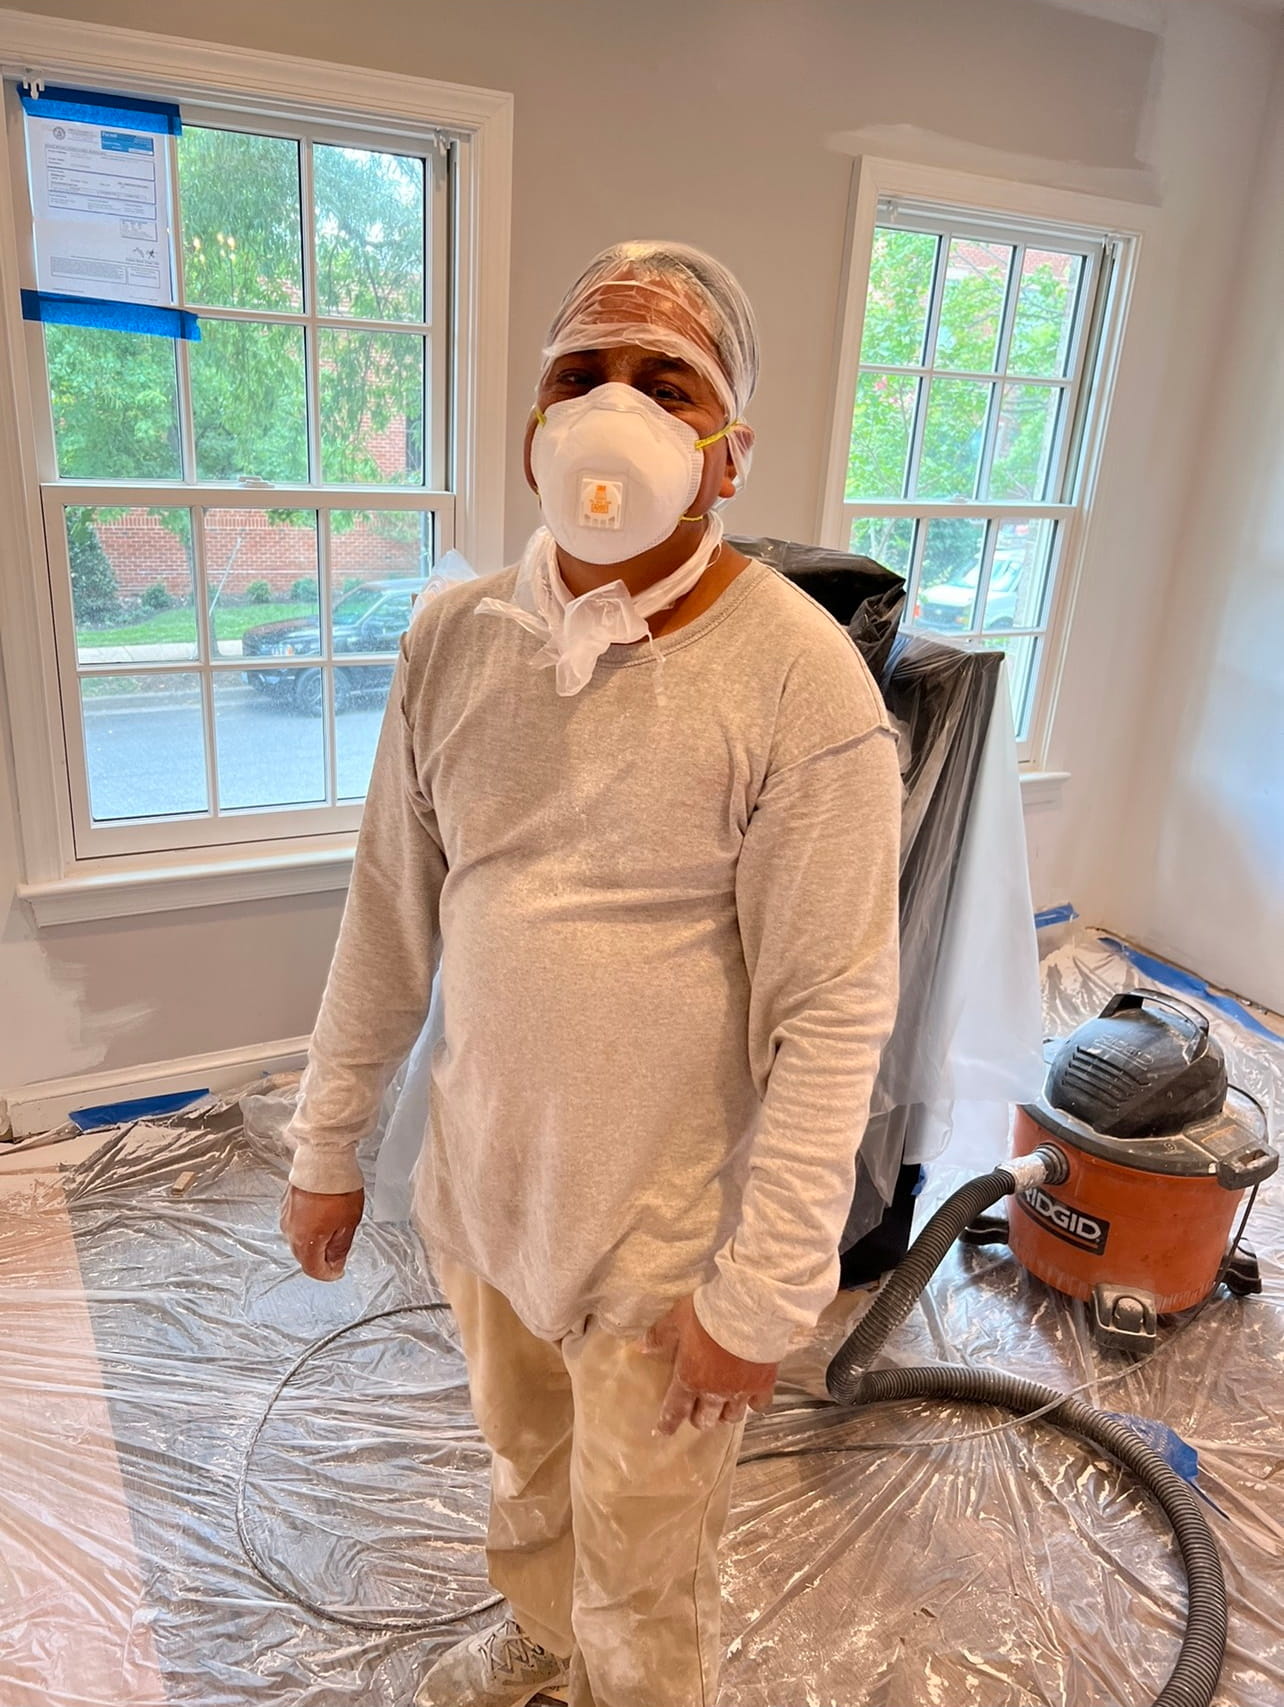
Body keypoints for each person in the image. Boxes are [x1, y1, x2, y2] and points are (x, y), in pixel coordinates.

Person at [280, 240, 902, 1707]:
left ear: (727, 449)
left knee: (647, 1565)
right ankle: (542, 1638)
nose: (614, 408)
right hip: (491, 1195)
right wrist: (326, 1140)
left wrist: (763, 1293)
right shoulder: (453, 641)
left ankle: (622, 1682)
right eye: (582, 374)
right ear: (533, 432)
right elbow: (390, 915)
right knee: (528, 1473)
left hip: (665, 1240)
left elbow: (831, 1013)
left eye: (665, 382)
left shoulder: (800, 679)